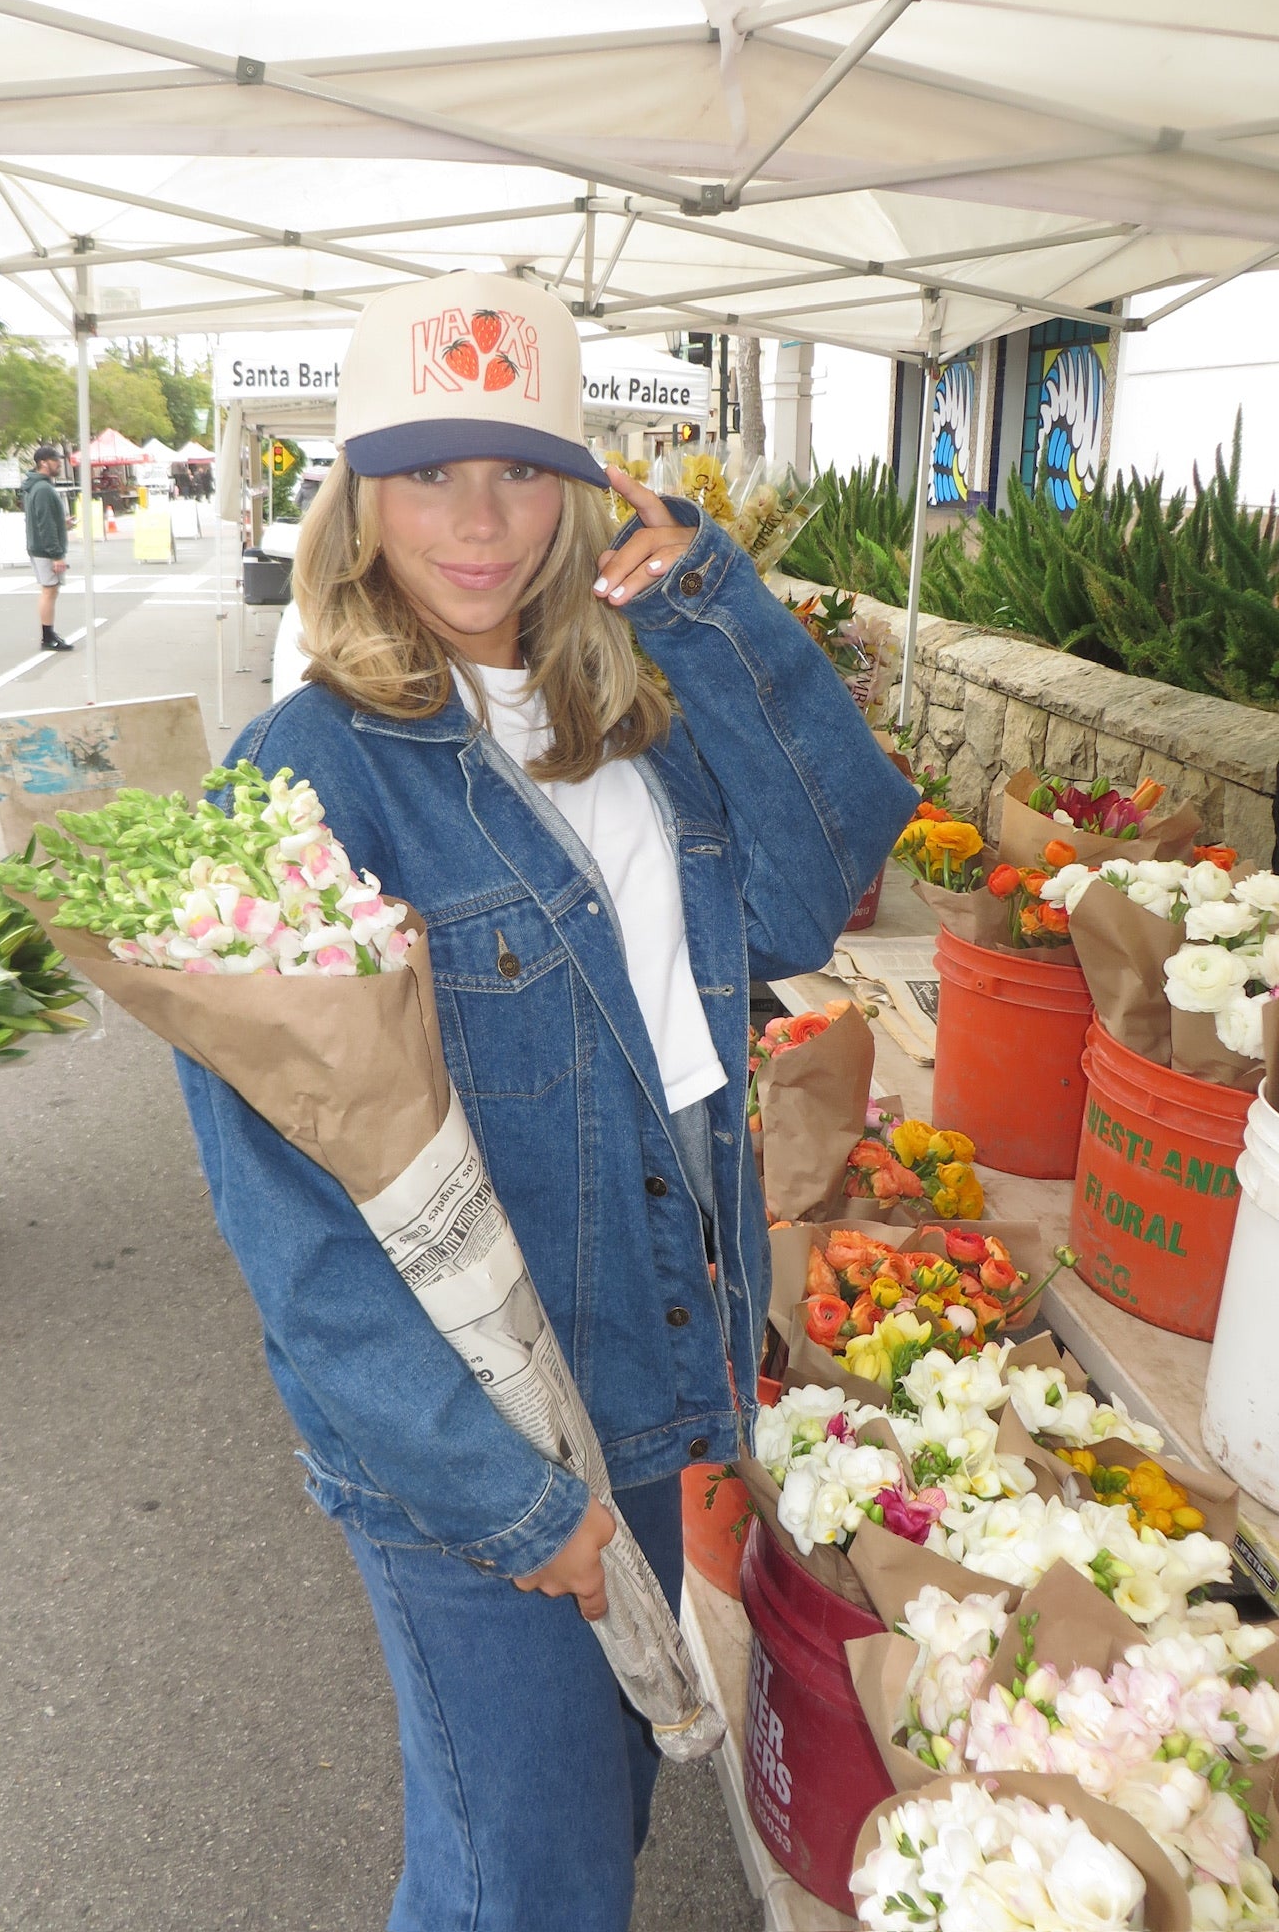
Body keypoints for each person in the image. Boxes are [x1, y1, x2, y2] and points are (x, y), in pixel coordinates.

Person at [176, 273, 915, 1932]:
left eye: (519, 469)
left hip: (647, 1365)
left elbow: (811, 886)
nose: (478, 521)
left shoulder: (633, 712)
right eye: (428, 472)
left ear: (584, 490)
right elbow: (286, 1217)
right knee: (535, 1879)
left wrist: (710, 598)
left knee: (589, 1819)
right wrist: (507, 1497)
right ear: (358, 500)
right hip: (475, 1420)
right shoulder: (300, 778)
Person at [21, 444, 73, 652]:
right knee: (49, 590)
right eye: (55, 460)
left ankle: (49, 633)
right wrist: (56, 555)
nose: (59, 463)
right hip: (45, 549)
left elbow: (42, 519)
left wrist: (63, 523)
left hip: (40, 546)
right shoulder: (42, 488)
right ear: (43, 462)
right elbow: (45, 523)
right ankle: (47, 636)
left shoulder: (36, 487)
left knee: (50, 590)